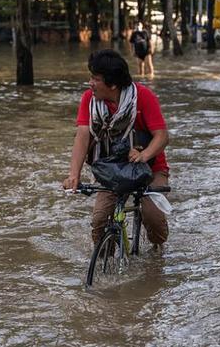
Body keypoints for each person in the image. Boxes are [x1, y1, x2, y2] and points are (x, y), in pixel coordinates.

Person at [63, 49, 170, 248]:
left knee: (152, 215)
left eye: (95, 79)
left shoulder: (143, 97)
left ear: (112, 85)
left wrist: (143, 155)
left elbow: (162, 136)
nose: (90, 83)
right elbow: (82, 136)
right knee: (100, 220)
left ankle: (157, 251)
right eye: (90, 77)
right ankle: (105, 258)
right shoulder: (89, 99)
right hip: (112, 169)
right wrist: (73, 174)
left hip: (150, 168)